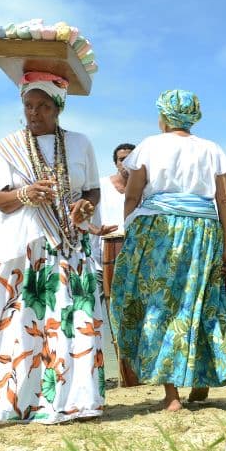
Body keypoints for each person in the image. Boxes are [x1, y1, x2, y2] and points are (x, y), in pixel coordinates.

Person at [0, 71, 104, 424]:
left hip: (68, 245)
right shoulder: (7, 146)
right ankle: (10, 401)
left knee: (69, 320)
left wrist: (84, 205)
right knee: (21, 320)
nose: (34, 112)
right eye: (28, 105)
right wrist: (25, 194)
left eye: (43, 106)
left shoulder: (80, 143)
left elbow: (93, 190)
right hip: (24, 246)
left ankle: (73, 401)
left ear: (58, 108)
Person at [111, 90, 226, 411]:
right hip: (203, 230)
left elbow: (132, 195)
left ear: (164, 116)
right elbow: (225, 199)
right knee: (201, 301)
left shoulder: (149, 145)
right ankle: (203, 375)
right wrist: (225, 245)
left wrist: (132, 231)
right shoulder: (211, 149)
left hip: (158, 230)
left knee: (160, 305)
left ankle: (172, 396)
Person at [95, 142, 138, 387]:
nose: (126, 163)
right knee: (96, 319)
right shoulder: (101, 186)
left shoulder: (146, 188)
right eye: (122, 159)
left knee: (133, 317)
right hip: (100, 260)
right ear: (116, 162)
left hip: (135, 261)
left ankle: (133, 377)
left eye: (131, 159)